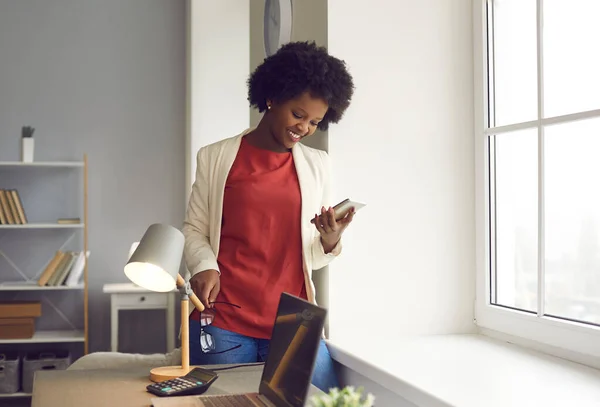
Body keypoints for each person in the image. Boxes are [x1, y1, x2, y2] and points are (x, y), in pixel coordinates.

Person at [181, 41, 355, 392]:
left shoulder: (318, 166)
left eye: (315, 122)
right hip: (224, 320)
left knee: (327, 401)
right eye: (298, 115)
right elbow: (194, 229)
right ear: (273, 97)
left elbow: (315, 258)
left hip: (295, 322)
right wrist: (204, 266)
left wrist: (330, 238)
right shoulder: (215, 158)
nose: (304, 128)